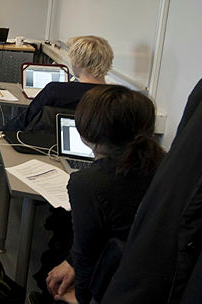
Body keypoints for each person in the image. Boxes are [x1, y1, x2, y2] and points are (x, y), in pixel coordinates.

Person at [44, 85, 164, 304]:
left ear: (86, 130)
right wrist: (71, 261)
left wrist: (78, 298)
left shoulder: (87, 183)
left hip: (114, 288)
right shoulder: (163, 165)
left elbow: (85, 256)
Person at [6, 35, 113, 131]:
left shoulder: (55, 91)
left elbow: (26, 119)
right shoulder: (118, 98)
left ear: (77, 61)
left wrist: (3, 132)